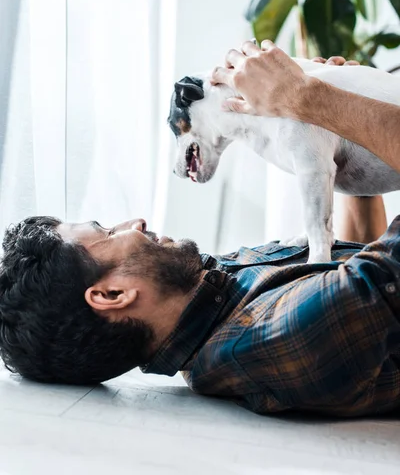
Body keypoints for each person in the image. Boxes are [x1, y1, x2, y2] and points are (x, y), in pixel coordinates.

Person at [0, 43, 399, 417]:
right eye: (106, 232)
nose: (135, 221)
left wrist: (353, 125)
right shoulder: (283, 334)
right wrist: (314, 101)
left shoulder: (218, 288)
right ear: (111, 294)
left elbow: (362, 253)